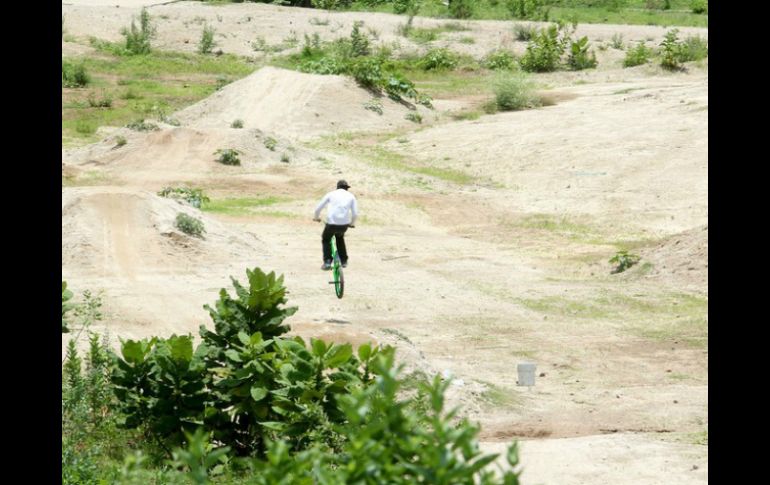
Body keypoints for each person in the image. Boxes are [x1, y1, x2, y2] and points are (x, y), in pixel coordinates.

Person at [313, 180, 359, 270]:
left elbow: (318, 209)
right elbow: (355, 214)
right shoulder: (351, 196)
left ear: (337, 187)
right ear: (347, 188)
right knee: (340, 238)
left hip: (331, 224)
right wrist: (352, 224)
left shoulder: (331, 194)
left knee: (326, 239)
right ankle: (344, 261)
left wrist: (316, 218)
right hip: (344, 225)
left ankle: (327, 262)